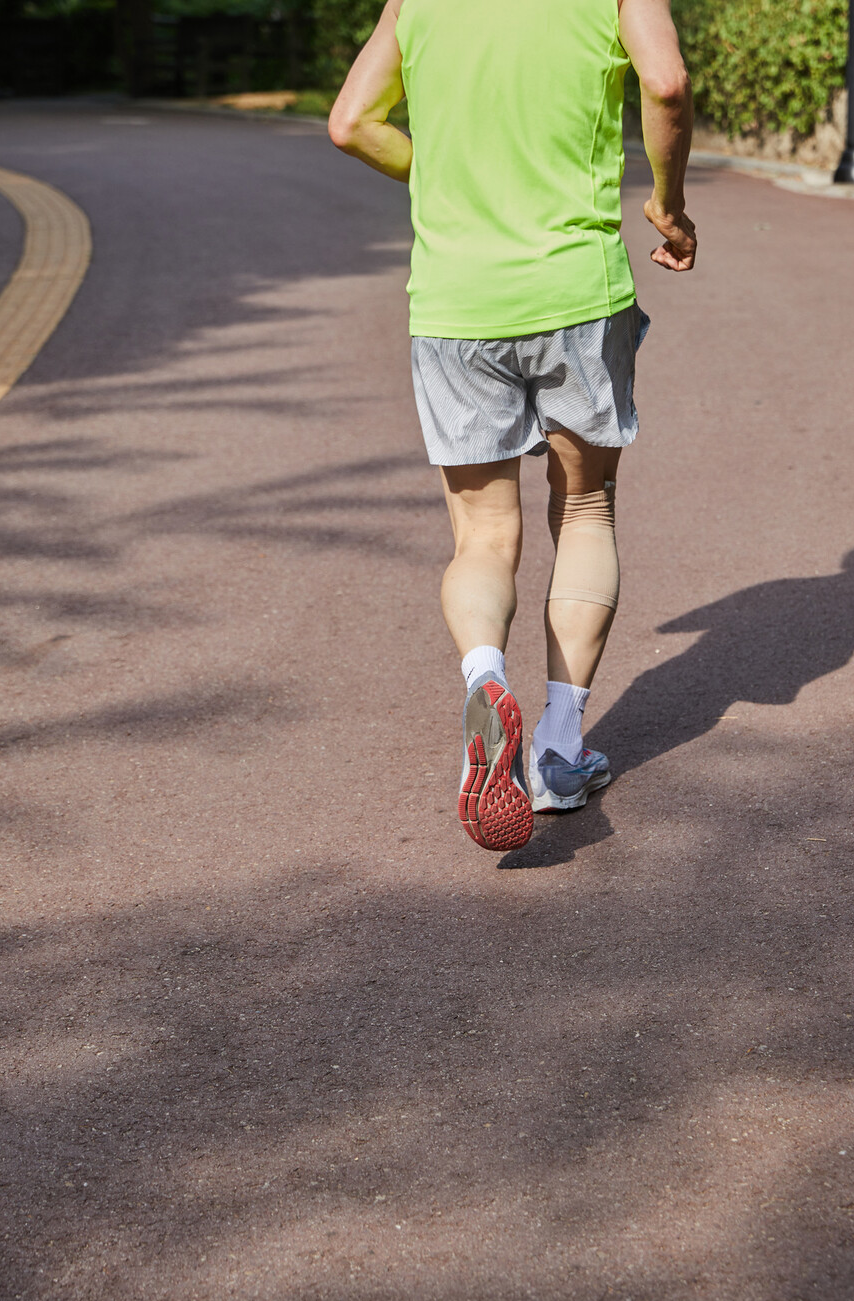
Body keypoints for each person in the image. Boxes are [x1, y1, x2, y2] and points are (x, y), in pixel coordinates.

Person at [329, 0, 696, 851]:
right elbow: (667, 82)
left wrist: (450, 179)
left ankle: (483, 676)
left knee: (483, 537)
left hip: (456, 300)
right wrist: (670, 206)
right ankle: (561, 750)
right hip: (574, 290)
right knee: (586, 507)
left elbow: (352, 123)